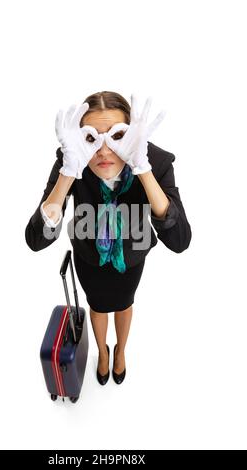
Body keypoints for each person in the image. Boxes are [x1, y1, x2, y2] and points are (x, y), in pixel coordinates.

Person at [25, 91, 192, 386]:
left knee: (125, 304)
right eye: (92, 138)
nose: (103, 151)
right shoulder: (73, 158)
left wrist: (143, 168)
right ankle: (102, 352)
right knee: (98, 306)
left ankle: (121, 351)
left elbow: (179, 241)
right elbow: (36, 240)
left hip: (132, 258)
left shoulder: (156, 162)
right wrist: (68, 173)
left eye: (116, 136)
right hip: (89, 257)